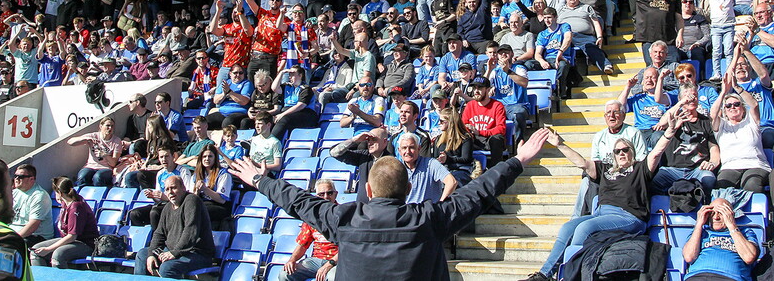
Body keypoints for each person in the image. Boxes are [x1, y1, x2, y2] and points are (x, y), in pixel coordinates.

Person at [231, 127, 551, 280]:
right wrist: (518, 160)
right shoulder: (428, 218)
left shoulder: (344, 218)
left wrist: (261, 181)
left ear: (368, 191)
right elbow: (478, 192)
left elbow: (297, 201)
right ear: (408, 187)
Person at [521, 112, 681, 281]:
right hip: (601, 213)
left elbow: (656, 153)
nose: (621, 153)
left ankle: (570, 275)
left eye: (625, 150)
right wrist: (560, 144)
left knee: (584, 228)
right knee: (568, 227)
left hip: (629, 216)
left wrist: (669, 132)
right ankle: (544, 274)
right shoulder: (606, 170)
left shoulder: (640, 169)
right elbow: (582, 163)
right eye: (617, 151)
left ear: (631, 152)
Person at [135, 175, 216, 278]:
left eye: (173, 188)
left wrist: (175, 253)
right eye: (167, 189)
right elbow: (159, 233)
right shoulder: (167, 207)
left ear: (183, 188)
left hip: (197, 253)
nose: (170, 192)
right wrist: (151, 254)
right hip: (173, 250)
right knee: (143, 255)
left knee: (167, 268)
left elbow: (191, 231)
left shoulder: (192, 200)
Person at [650, 83, 721, 195]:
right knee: (654, 181)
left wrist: (712, 163)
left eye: (694, 96)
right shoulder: (674, 117)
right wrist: (681, 103)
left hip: (697, 169)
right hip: (672, 169)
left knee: (709, 179)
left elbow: (713, 147)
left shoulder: (706, 121)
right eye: (687, 96)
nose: (691, 99)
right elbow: (662, 122)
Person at [709, 76, 770, 193]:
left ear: (743, 108)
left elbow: (754, 105)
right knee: (722, 188)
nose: (732, 107)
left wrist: (736, 87)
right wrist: (723, 92)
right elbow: (713, 114)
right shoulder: (721, 125)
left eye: (736, 104)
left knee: (752, 185)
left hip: (755, 165)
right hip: (730, 166)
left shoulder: (750, 121)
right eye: (728, 105)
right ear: (725, 110)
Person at [30, 176, 99, 269]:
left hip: (85, 244)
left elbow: (72, 236)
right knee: (35, 251)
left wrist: (48, 249)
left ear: (60, 193)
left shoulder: (77, 207)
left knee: (58, 255)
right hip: (69, 241)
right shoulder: (65, 203)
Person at [278, 179, 341, 281]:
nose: (326, 197)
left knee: (332, 277)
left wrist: (330, 264)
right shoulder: (312, 216)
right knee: (285, 273)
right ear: (316, 196)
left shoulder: (345, 215)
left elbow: (348, 247)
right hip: (315, 261)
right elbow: (303, 245)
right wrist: (292, 260)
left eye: (329, 193)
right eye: (321, 194)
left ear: (335, 194)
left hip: (337, 261)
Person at [683, 198, 760, 281]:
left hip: (729, 278)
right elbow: (689, 257)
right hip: (697, 277)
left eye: (721, 213)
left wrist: (732, 226)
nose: (716, 217)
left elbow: (749, 257)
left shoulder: (745, 232)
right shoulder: (699, 232)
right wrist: (699, 224)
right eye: (712, 213)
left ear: (730, 214)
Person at [329, 127, 393, 202]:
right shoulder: (363, 156)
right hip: (362, 208)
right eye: (368, 140)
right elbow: (334, 153)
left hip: (382, 207)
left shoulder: (391, 161)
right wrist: (354, 140)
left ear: (385, 141)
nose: (370, 143)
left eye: (374, 139)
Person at [68, 115, 122, 186]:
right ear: (101, 126)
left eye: (112, 126)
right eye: (107, 126)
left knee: (98, 177)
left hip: (105, 168)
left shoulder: (116, 141)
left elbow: (113, 163)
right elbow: (70, 142)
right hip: (90, 166)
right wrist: (85, 139)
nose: (110, 128)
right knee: (82, 176)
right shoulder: (94, 136)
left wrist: (105, 155)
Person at [270, 65, 320, 140]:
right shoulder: (287, 86)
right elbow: (274, 88)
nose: (290, 76)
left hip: (305, 113)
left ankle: (272, 142)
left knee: (284, 119)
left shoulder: (306, 88)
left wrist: (282, 114)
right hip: (289, 112)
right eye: (289, 74)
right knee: (265, 119)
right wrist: (282, 72)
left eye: (293, 74)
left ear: (300, 75)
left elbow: (301, 105)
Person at [10, 163, 54, 246]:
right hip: (15, 232)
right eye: (15, 176)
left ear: (32, 179)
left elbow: (33, 225)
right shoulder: (14, 193)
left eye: (21, 177)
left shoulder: (39, 196)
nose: (16, 179)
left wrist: (14, 238)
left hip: (36, 236)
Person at [431, 105, 474, 185]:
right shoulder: (438, 139)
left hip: (461, 170)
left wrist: (448, 159)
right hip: (443, 170)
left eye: (441, 121)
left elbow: (466, 159)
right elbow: (435, 158)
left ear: (450, 122)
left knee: (451, 181)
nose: (439, 123)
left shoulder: (465, 138)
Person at [193, 144, 233, 229]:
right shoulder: (197, 174)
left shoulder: (224, 174)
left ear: (215, 158)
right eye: (204, 156)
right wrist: (197, 191)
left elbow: (221, 200)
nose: (207, 159)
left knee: (200, 211)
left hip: (219, 206)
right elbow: (192, 197)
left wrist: (205, 189)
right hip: (203, 203)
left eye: (210, 156)